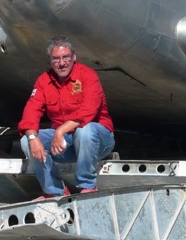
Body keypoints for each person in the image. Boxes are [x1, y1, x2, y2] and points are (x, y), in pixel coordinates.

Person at [19, 36, 115, 198]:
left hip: (98, 141)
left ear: (74, 57)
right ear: (50, 60)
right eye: (56, 59)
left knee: (85, 130)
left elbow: (88, 111)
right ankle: (54, 191)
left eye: (66, 57)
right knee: (26, 141)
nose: (62, 63)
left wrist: (60, 131)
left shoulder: (88, 76)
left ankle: (87, 185)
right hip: (67, 144)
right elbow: (31, 110)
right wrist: (33, 137)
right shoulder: (44, 81)